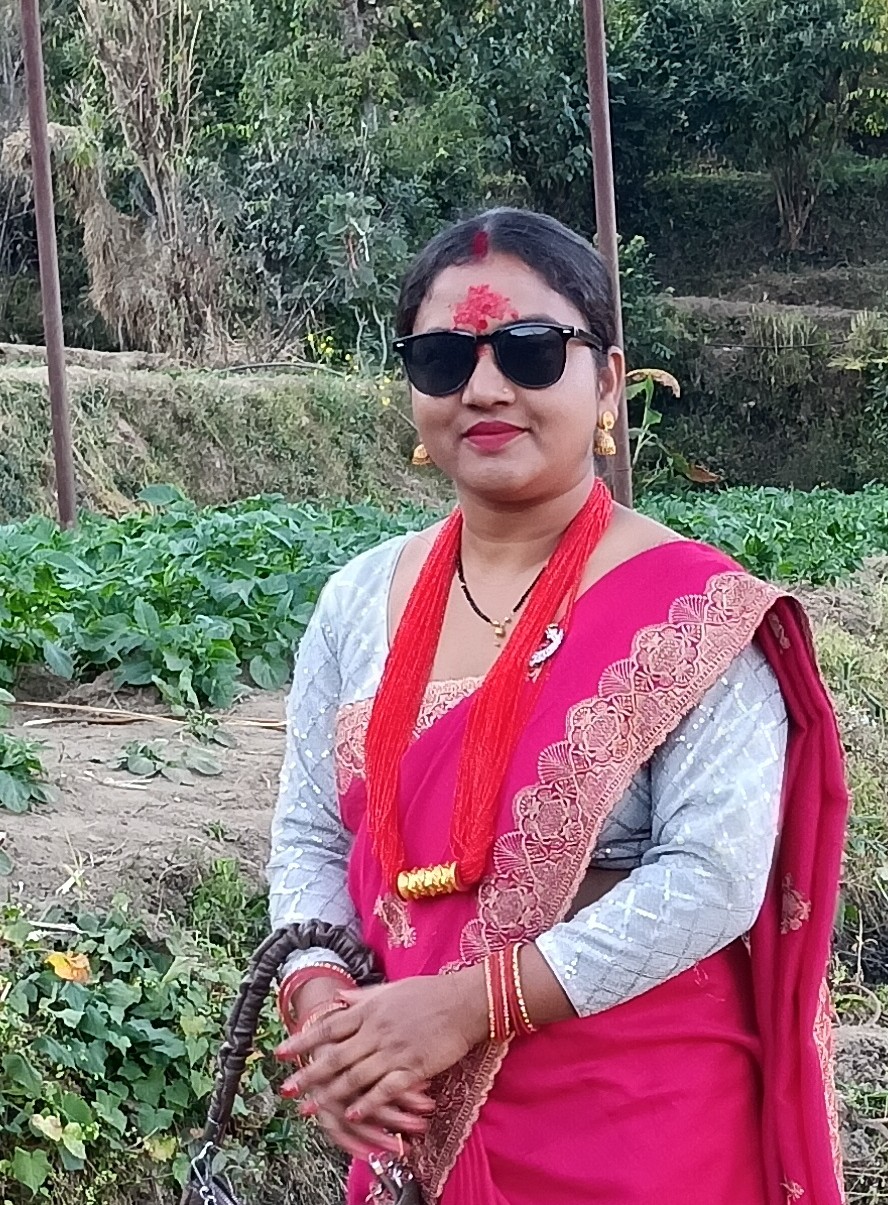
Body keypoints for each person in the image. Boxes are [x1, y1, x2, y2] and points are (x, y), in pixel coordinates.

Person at [266, 208, 850, 1205]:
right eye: (444, 358)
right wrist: (328, 1014)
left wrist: (466, 1005)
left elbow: (712, 878)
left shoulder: (691, 608)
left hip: (641, 1134)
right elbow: (310, 838)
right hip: (410, 1108)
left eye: (531, 350)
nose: (485, 387)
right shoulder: (357, 601)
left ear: (608, 380)